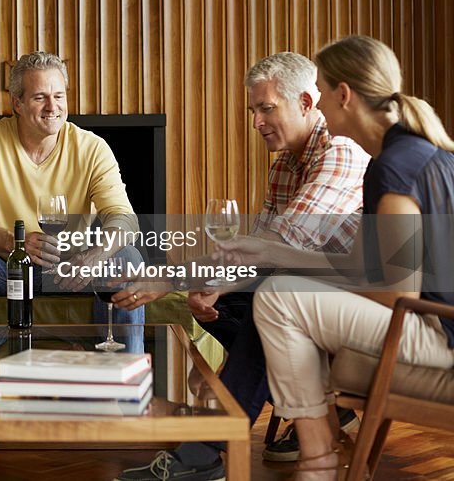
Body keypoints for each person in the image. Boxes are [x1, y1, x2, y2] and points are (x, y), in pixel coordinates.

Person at [116, 52, 370, 481]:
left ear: (307, 102)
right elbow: (259, 257)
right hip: (303, 290)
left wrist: (170, 276)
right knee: (220, 303)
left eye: (266, 108)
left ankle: (205, 452)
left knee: (264, 307)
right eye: (253, 110)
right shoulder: (284, 165)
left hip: (352, 303)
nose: (255, 122)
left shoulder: (339, 154)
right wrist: (214, 286)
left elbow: (274, 244)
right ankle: (305, 396)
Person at [228, 36, 454, 479]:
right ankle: (321, 441)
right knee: (281, 292)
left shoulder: (393, 168)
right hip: (433, 319)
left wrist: (307, 286)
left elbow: (393, 290)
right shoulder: (422, 152)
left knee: (277, 297)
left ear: (343, 95)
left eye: (323, 92)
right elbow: (367, 266)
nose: (321, 109)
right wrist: (274, 253)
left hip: (436, 333)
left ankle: (319, 459)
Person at [0, 51, 144, 327]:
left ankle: (124, 365)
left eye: (58, 96)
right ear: (18, 103)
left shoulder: (92, 148)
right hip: (8, 268)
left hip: (73, 270)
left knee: (127, 256)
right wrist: (13, 243)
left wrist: (92, 257)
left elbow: (125, 219)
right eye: (39, 97)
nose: (52, 107)